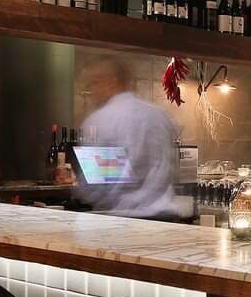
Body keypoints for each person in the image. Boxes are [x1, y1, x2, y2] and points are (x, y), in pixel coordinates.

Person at [75, 57, 179, 220]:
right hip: (165, 219)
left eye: (94, 84)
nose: (91, 92)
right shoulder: (159, 115)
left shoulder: (101, 120)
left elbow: (99, 186)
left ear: (111, 81)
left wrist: (78, 191)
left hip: (123, 221)